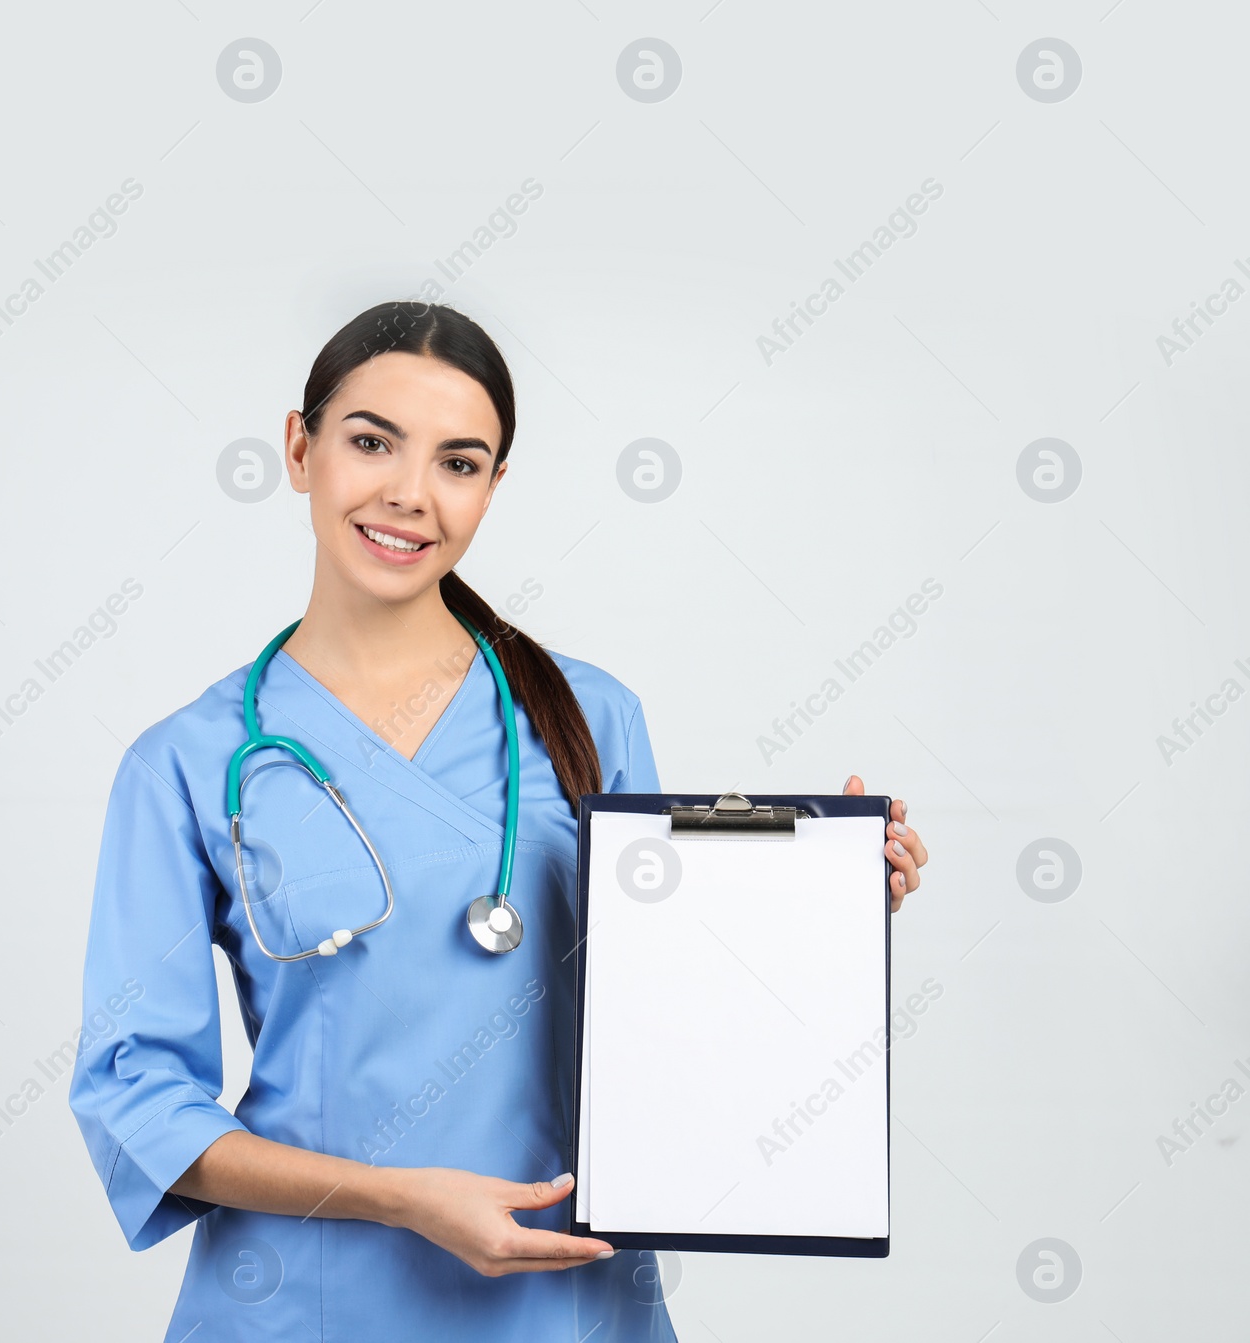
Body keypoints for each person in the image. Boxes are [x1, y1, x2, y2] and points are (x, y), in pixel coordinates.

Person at [67, 300, 929, 1341]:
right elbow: (141, 1102)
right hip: (306, 1301)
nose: (409, 493)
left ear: (494, 486)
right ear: (300, 448)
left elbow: (665, 1009)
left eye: (459, 461)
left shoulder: (589, 714)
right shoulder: (190, 762)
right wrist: (399, 1196)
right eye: (371, 441)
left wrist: (813, 904)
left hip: (560, 1300)